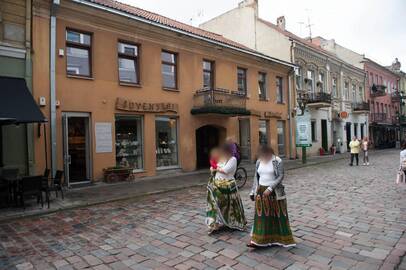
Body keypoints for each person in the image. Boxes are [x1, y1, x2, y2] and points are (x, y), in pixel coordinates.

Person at [247, 145, 295, 248]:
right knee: (261, 217)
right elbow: (256, 176)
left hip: (274, 193)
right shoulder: (259, 161)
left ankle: (276, 238)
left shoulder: (277, 160)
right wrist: (253, 191)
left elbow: (281, 176)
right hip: (261, 192)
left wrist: (270, 188)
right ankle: (258, 241)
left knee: (277, 216)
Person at [206, 144, 246, 234]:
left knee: (229, 206)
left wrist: (215, 169)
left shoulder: (233, 159)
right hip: (217, 184)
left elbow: (226, 170)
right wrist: (213, 168)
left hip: (228, 186)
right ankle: (215, 224)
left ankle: (232, 222)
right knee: (214, 204)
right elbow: (217, 166)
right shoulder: (222, 158)